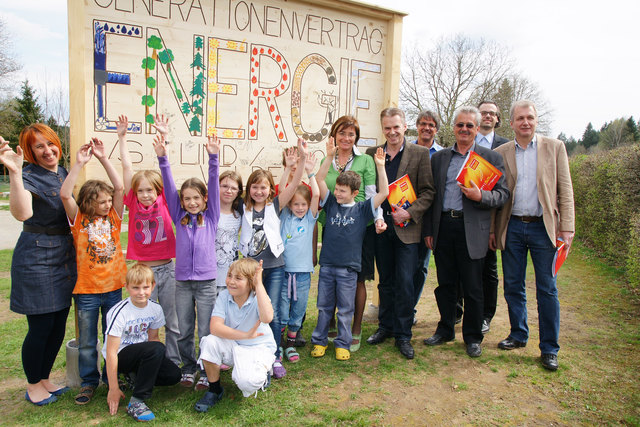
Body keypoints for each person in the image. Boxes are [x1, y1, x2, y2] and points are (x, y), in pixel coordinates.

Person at [492, 100, 575, 371]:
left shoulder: (555, 147)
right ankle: (518, 334)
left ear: (536, 120)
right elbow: (496, 192)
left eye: (530, 117)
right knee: (513, 285)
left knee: (547, 289)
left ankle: (549, 348)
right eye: (520, 118)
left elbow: (565, 189)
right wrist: (494, 230)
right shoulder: (502, 151)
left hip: (544, 228)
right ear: (512, 122)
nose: (525, 122)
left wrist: (568, 228)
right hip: (512, 226)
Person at [423, 106, 509, 358]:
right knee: (446, 284)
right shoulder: (439, 158)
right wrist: (429, 229)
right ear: (454, 128)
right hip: (444, 227)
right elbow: (432, 196)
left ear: (477, 128)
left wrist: (480, 195)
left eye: (470, 126)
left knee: (473, 287)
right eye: (460, 125)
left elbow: (503, 194)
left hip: (473, 231)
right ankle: (446, 328)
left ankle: (472, 336)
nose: (464, 129)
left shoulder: (489, 158)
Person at [0, 127, 76, 406]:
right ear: (29, 153)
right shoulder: (28, 175)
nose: (47, 151)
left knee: (57, 325)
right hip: (37, 257)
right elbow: (23, 213)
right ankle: (33, 384)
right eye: (38, 147)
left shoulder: (63, 172)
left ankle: (44, 378)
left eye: (50, 144)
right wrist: (15, 173)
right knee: (41, 326)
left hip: (64, 256)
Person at [60, 138, 127, 405]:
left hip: (113, 289)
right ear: (88, 201)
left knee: (113, 336)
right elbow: (65, 194)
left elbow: (121, 186)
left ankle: (113, 377)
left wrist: (102, 158)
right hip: (87, 291)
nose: (108, 204)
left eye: (110, 201)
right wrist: (78, 164)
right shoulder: (79, 219)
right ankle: (89, 382)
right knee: (87, 341)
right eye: (102, 201)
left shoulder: (113, 217)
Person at [365, 107, 435, 360]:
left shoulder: (420, 153)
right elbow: (369, 189)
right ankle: (385, 327)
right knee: (385, 281)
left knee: (405, 282)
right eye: (387, 128)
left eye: (396, 127)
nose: (392, 132)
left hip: (408, 230)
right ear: (382, 129)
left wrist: (409, 213)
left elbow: (428, 191)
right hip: (381, 228)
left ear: (405, 126)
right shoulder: (373, 154)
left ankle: (403, 335)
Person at [311, 139, 389, 361]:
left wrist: (381, 168)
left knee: (345, 309)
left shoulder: (364, 209)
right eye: (337, 189)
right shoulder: (331, 203)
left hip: (348, 270)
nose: (338, 193)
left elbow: (384, 192)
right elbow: (318, 180)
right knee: (324, 307)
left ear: (355, 192)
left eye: (343, 191)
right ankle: (319, 340)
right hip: (327, 267)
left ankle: (343, 343)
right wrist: (328, 158)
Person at [154, 131, 220, 390]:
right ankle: (188, 366)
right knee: (183, 328)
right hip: (181, 282)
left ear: (205, 200)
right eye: (187, 198)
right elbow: (169, 187)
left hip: (206, 284)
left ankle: (205, 369)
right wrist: (163, 159)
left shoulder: (211, 217)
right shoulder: (179, 218)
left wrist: (213, 158)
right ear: (181, 202)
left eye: (197, 198)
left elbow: (213, 184)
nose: (192, 202)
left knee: (205, 330)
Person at [239, 138, 307, 379]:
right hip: (250, 269)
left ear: (270, 190)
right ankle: (251, 347)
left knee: (275, 312)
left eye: (264, 187)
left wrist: (298, 160)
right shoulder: (242, 207)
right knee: (251, 310)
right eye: (255, 187)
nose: (259, 191)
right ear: (249, 189)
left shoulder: (276, 205)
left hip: (275, 267)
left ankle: (276, 354)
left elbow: (296, 182)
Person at [116, 115, 180, 366]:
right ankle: (145, 361)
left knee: (172, 320)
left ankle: (173, 362)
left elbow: (166, 169)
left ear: (158, 191)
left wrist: (163, 137)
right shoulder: (131, 201)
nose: (144, 194)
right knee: (144, 321)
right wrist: (122, 137)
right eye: (140, 190)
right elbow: (127, 168)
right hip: (144, 272)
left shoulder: (164, 200)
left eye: (149, 190)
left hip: (168, 269)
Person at [195, 258, 276, 412]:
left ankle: (264, 371)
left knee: (246, 383)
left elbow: (267, 318)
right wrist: (245, 335)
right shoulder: (224, 296)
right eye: (229, 275)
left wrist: (259, 285)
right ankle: (214, 390)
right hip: (236, 344)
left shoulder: (258, 296)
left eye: (238, 278)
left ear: (251, 283)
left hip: (257, 348)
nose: (231, 281)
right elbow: (215, 327)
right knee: (209, 342)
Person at [103, 264, 181, 422]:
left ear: (153, 286)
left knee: (174, 375)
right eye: (136, 288)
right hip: (121, 357)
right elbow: (111, 352)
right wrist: (113, 388)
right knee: (156, 348)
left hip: (144, 354)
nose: (141, 292)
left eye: (145, 287)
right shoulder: (120, 312)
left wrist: (156, 364)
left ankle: (135, 377)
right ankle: (137, 401)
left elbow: (153, 338)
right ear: (126, 287)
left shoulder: (155, 309)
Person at [279, 153, 320, 362]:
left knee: (298, 311)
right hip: (284, 272)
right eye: (296, 205)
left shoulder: (310, 219)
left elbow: (316, 195)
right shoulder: (284, 215)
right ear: (289, 206)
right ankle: (279, 344)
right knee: (282, 311)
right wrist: (288, 168)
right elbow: (281, 192)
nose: (300, 208)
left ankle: (291, 344)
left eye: (303, 205)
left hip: (303, 274)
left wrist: (310, 172)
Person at [474, 101, 510, 334]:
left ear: (497, 118)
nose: (487, 116)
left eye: (492, 114)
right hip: (461, 219)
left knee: (488, 271)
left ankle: (486, 315)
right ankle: (458, 312)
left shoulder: (506, 147)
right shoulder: (464, 141)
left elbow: (504, 188)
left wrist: (494, 228)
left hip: (490, 219)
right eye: (483, 113)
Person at [412, 110, 443, 324]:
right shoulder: (408, 150)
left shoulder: (442, 155)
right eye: (423, 124)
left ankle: (410, 309)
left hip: (429, 218)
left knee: (420, 267)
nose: (427, 128)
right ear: (417, 126)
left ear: (436, 129)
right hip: (405, 215)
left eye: (431, 125)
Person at [216, 170, 244, 294]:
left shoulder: (239, 216)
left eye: (233, 188)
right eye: (225, 186)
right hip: (209, 278)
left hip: (229, 277)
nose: (229, 191)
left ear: (238, 192)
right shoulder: (209, 213)